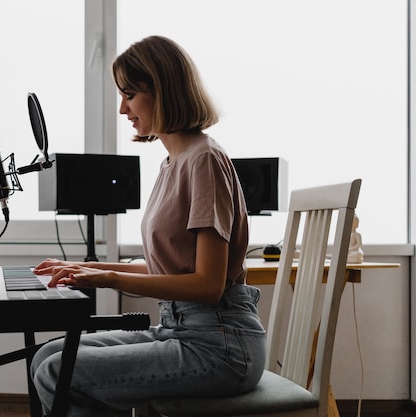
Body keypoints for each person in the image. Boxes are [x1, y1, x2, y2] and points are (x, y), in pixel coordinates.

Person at [30, 35, 266, 417]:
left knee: (59, 371)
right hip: (183, 329)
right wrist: (88, 269)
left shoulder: (204, 161)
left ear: (164, 90)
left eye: (130, 94)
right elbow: (168, 270)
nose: (123, 109)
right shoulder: (174, 161)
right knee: (49, 354)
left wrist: (106, 279)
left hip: (220, 345)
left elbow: (207, 285)